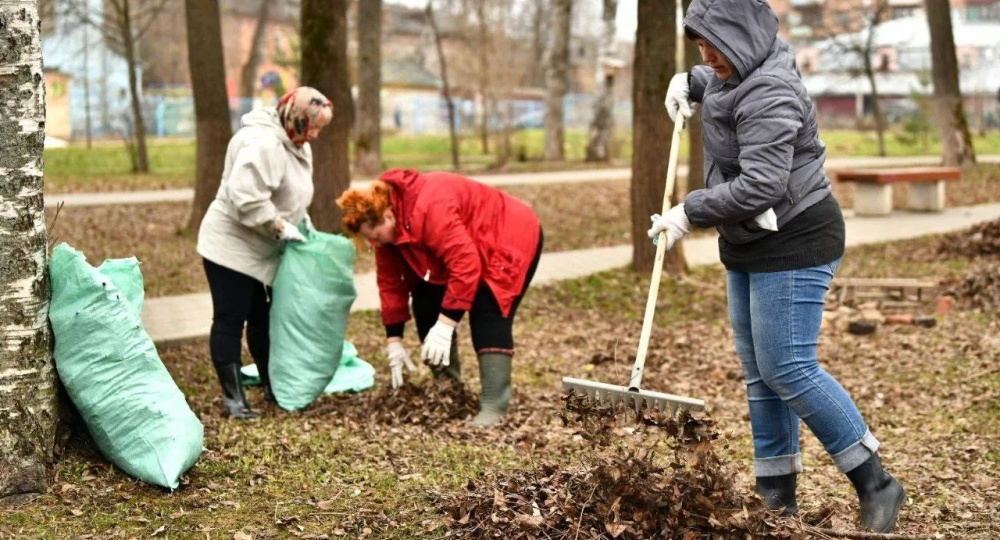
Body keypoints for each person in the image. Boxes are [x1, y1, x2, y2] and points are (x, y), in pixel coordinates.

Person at [651, 0, 905, 533]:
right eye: (699, 45)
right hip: (750, 238)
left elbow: (763, 184)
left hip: (796, 236)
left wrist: (688, 210)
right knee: (760, 376)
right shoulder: (739, 64)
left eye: (713, 45)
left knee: (788, 368)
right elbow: (723, 83)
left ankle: (876, 482)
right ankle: (776, 496)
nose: (708, 54)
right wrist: (692, 80)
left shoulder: (770, 90)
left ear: (739, 36)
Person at [336, 169, 543, 428]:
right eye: (369, 239)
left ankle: (494, 406)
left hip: (507, 235)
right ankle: (449, 389)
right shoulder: (388, 237)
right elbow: (391, 285)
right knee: (425, 302)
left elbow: (465, 265)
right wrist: (394, 341)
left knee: (488, 309)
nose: (374, 242)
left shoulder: (430, 206)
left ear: (388, 215)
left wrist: (446, 325)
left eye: (375, 236)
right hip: (465, 246)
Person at [196, 87, 333, 419]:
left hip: (262, 247)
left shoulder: (295, 142)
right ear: (295, 117)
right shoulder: (264, 144)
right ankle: (234, 401)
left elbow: (294, 194)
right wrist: (278, 226)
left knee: (263, 319)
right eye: (312, 126)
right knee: (231, 318)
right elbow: (245, 198)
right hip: (231, 245)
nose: (314, 135)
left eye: (319, 129)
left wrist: (303, 223)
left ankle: (276, 387)